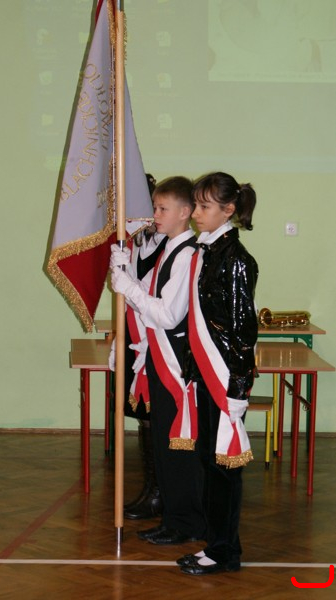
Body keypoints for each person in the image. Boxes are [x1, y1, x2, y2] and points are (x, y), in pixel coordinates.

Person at [111, 176, 206, 545]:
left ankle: (186, 523)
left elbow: (167, 315)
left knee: (179, 448)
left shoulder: (187, 254)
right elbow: (147, 299)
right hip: (160, 359)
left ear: (184, 212)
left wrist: (129, 288)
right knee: (165, 446)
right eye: (155, 207)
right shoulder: (169, 250)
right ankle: (172, 517)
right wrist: (125, 273)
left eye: (162, 208)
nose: (155, 215)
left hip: (177, 363)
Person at [177, 171, 258, 575]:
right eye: (196, 204)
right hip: (207, 374)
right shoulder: (206, 251)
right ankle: (216, 542)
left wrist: (238, 388)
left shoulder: (236, 260)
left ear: (228, 210)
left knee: (224, 468)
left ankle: (225, 552)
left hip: (224, 378)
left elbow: (243, 330)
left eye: (204, 206)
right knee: (210, 462)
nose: (196, 213)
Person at [109, 173, 168, 520]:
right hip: (137, 342)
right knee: (146, 418)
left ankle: (165, 492)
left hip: (162, 345)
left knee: (161, 419)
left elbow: (156, 301)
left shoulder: (170, 245)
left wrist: (127, 283)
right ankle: (153, 489)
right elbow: (127, 303)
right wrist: (120, 340)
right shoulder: (133, 244)